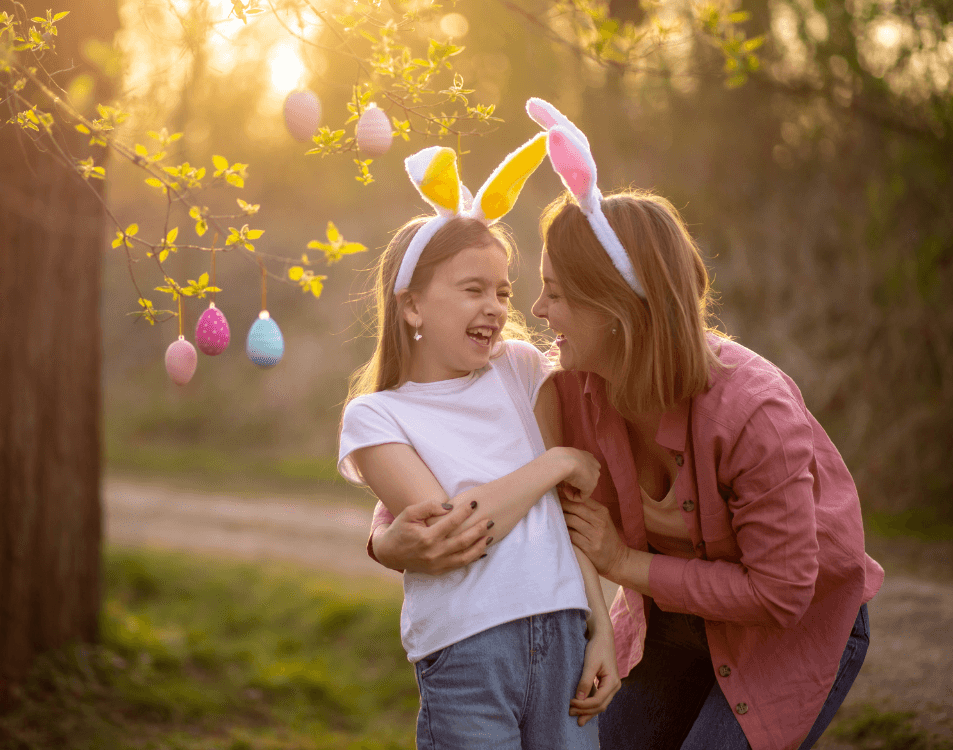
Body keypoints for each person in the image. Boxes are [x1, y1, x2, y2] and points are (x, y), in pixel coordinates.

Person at [366, 98, 885, 750]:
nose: (535, 308)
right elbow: (448, 452)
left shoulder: (756, 415)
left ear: (614, 309)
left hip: (792, 629)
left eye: (554, 293)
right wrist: (388, 541)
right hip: (670, 620)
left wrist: (621, 560)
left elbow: (781, 594)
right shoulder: (566, 384)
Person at [338, 139, 620, 750]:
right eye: (473, 290)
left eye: (502, 292)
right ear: (412, 304)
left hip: (566, 639)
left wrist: (601, 626)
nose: (494, 308)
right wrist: (557, 462)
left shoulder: (519, 368)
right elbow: (455, 536)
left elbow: (566, 515)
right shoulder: (376, 417)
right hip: (469, 655)